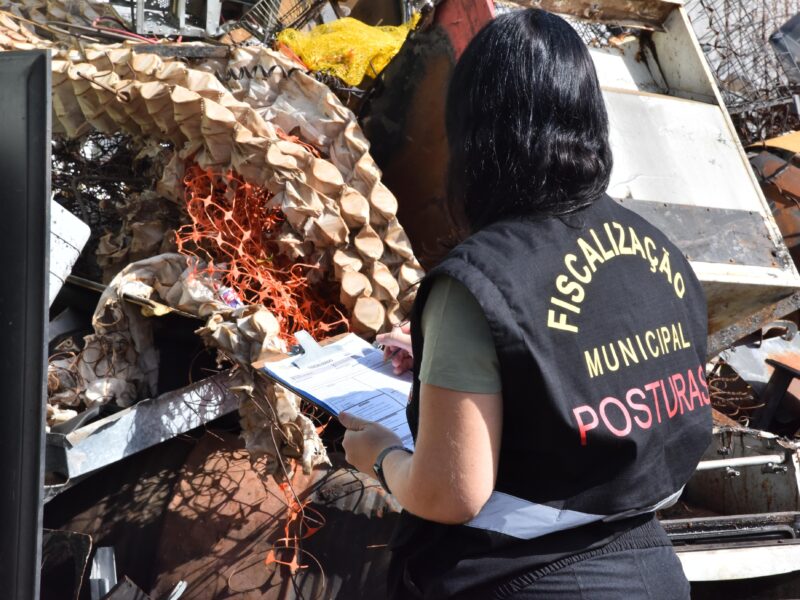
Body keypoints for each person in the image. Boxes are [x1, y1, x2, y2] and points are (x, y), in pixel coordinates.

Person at [339, 8, 711, 599]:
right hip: (654, 570)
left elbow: (451, 494)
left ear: (472, 132)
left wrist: (378, 453)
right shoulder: (660, 252)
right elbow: (588, 356)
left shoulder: (478, 280)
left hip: (522, 578)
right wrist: (450, 362)